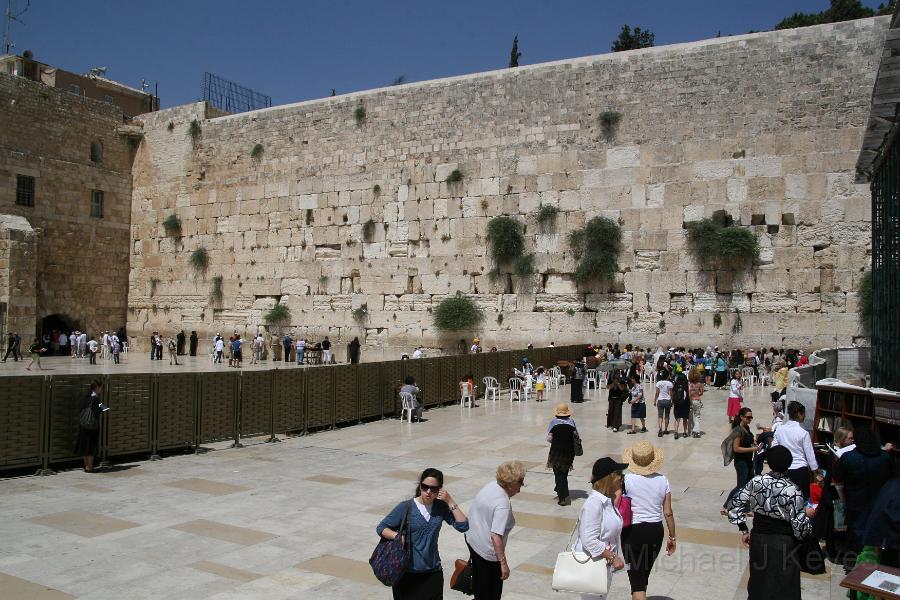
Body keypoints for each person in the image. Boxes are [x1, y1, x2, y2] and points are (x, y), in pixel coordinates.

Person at [727, 446, 813, 600]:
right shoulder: (793, 490)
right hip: (784, 542)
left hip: (759, 538)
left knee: (760, 581)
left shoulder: (756, 481)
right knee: (785, 585)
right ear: (789, 464)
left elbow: (734, 505)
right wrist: (809, 520)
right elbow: (800, 528)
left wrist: (744, 529)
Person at [376, 468, 468, 600]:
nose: (429, 492)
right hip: (406, 574)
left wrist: (450, 501)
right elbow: (382, 528)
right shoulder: (406, 507)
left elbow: (463, 526)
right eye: (425, 487)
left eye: (433, 489)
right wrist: (396, 536)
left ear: (440, 489)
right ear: (420, 486)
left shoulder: (440, 507)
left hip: (432, 572)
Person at [621, 441, 676, 600]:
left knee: (637, 582)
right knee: (642, 578)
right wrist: (672, 537)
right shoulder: (663, 480)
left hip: (633, 532)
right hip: (655, 532)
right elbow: (668, 512)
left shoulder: (626, 479)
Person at [465, 461, 525, 600]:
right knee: (491, 594)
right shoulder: (502, 503)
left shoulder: (491, 486)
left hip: (473, 542)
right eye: (520, 482)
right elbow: (496, 535)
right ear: (510, 484)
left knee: (480, 590)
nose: (521, 487)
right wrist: (503, 564)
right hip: (488, 554)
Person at [832, 426, 893, 558]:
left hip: (855, 503)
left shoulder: (849, 457)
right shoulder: (885, 457)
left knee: (854, 534)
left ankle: (853, 562)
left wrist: (843, 499)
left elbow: (837, 479)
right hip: (878, 503)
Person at [574, 457, 629, 600]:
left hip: (603, 565)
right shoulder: (594, 504)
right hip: (592, 566)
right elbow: (589, 540)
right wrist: (613, 557)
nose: (622, 479)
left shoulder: (606, 501)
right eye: (620, 476)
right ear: (609, 479)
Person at [772, 401, 817, 499]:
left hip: (783, 470)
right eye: (803, 413)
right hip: (800, 471)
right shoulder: (803, 433)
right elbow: (810, 456)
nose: (805, 416)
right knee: (801, 500)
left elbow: (774, 449)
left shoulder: (780, 430)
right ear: (798, 414)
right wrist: (816, 472)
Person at [722, 407, 758, 513]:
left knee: (748, 485)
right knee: (741, 485)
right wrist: (753, 448)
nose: (750, 419)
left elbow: (747, 440)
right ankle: (726, 506)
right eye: (748, 417)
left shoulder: (746, 428)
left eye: (751, 417)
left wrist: (753, 442)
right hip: (741, 462)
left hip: (748, 460)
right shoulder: (738, 430)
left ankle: (746, 508)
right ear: (742, 417)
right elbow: (736, 448)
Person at [547, 403, 578, 506]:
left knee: (558, 474)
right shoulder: (572, 422)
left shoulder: (553, 423)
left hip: (556, 452)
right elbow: (576, 436)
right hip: (569, 452)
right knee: (564, 473)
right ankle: (559, 487)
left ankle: (563, 496)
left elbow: (549, 439)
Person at [74, 380, 104, 473]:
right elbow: (96, 411)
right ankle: (90, 467)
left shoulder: (86, 396)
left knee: (84, 446)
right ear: (97, 387)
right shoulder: (95, 398)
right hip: (91, 426)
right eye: (101, 388)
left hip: (83, 425)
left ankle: (86, 466)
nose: (102, 390)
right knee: (90, 446)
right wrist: (104, 407)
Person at [653, 371, 673, 437]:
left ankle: (660, 429)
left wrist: (654, 401)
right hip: (667, 400)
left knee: (660, 416)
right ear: (667, 376)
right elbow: (671, 393)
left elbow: (657, 393)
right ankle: (666, 429)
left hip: (660, 400)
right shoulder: (670, 383)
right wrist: (672, 401)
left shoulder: (658, 383)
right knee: (667, 415)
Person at [687, 368, 704, 438]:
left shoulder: (690, 384)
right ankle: (696, 431)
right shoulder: (699, 384)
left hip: (690, 401)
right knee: (697, 416)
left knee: (690, 416)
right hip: (697, 401)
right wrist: (698, 395)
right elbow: (701, 392)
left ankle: (690, 431)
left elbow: (688, 393)